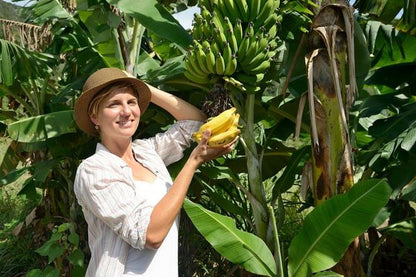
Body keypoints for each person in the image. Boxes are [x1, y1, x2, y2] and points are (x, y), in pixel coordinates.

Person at [73, 67, 236, 276]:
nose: (126, 111)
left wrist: (142, 87)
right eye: (114, 104)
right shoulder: (93, 170)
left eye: (132, 102)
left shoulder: (147, 152)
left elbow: (195, 123)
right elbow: (150, 235)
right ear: (94, 116)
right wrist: (194, 162)